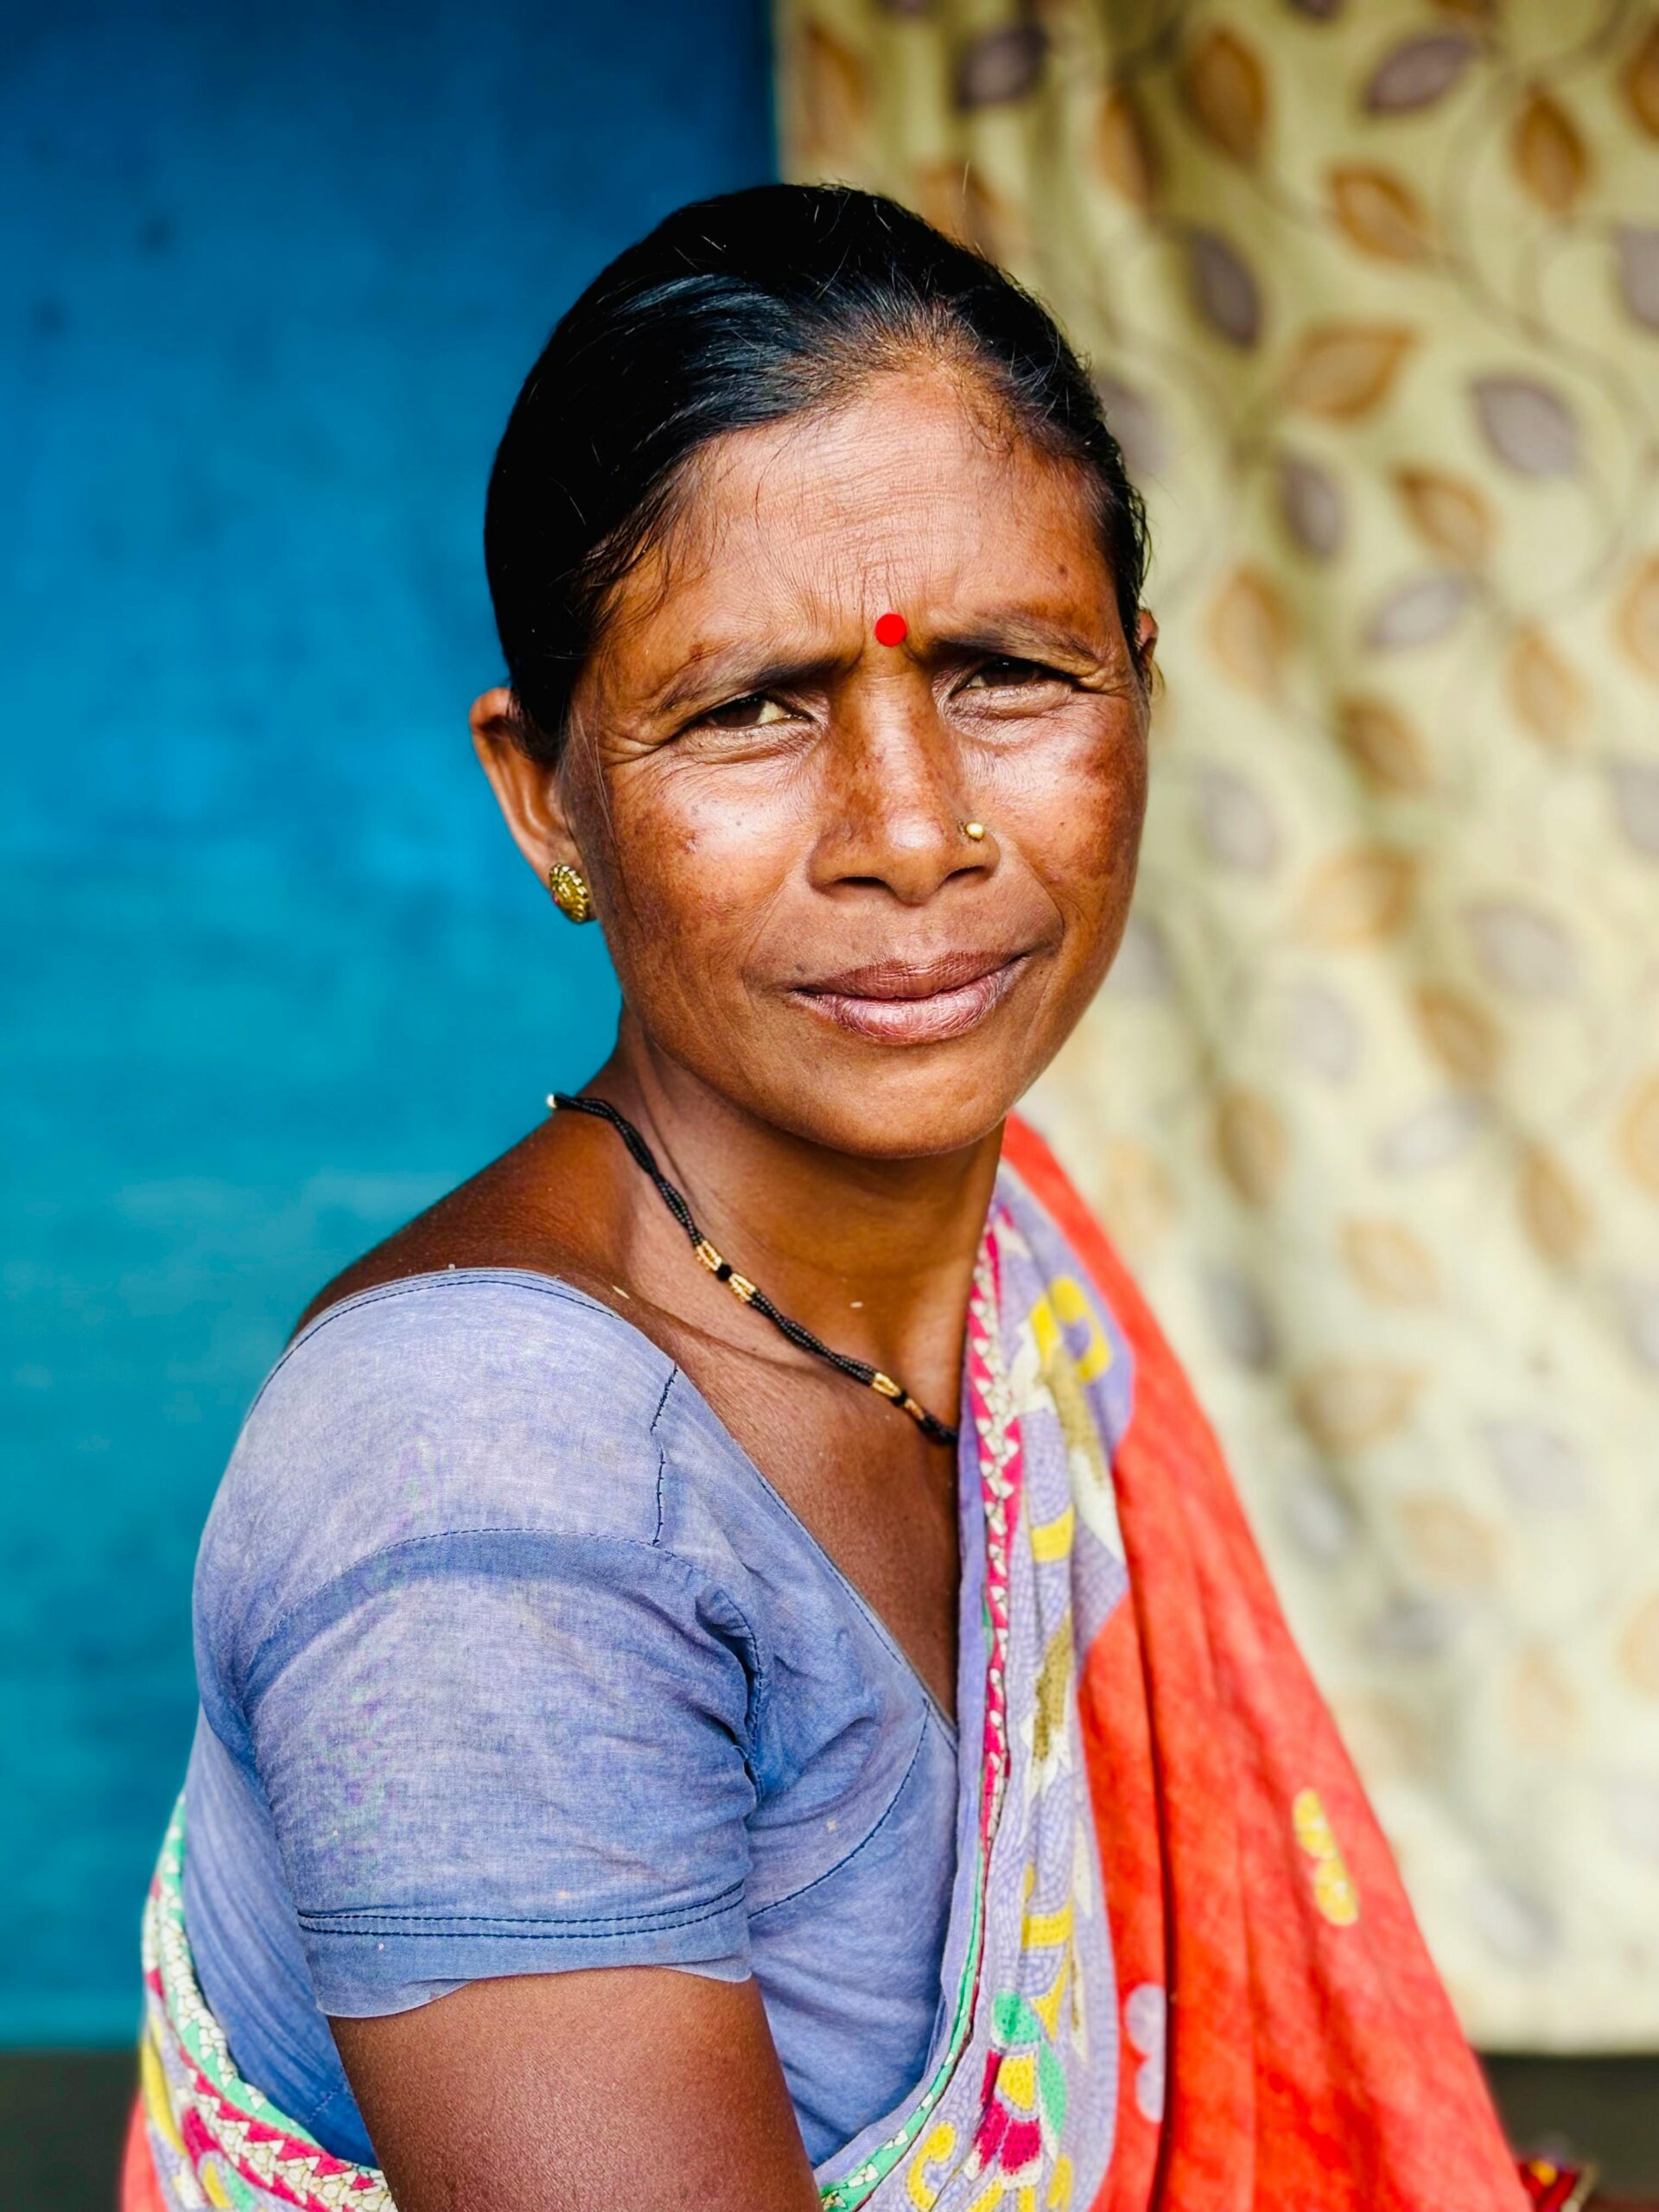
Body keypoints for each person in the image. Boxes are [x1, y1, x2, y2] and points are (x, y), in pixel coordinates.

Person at [124, 186, 1608, 2212]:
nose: (912, 831)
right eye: (751, 706)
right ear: (544, 788)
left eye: (1006, 671)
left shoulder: (1013, 1282)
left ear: (1143, 697)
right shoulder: (477, 1497)